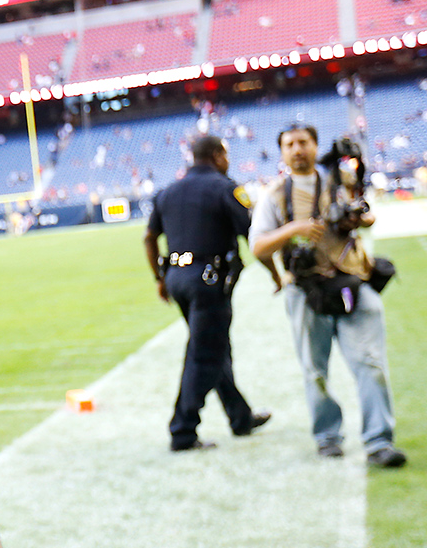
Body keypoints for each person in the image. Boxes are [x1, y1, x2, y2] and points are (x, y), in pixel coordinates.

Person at [249, 123, 406, 467]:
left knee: (371, 363)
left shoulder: (341, 181)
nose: (297, 149)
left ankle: (379, 441)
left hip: (352, 282)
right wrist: (295, 229)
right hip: (305, 291)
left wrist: (358, 219)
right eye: (289, 144)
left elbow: (369, 214)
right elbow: (257, 245)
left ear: (315, 145)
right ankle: (327, 436)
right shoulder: (274, 193)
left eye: (303, 142)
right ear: (282, 153)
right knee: (315, 370)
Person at [143, 135, 271, 451]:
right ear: (217, 155)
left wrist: (159, 277)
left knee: (212, 346)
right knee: (204, 354)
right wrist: (276, 272)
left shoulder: (168, 190)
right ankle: (183, 431)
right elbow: (252, 234)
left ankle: (240, 417)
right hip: (209, 280)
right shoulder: (225, 188)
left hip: (176, 279)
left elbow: (149, 237)